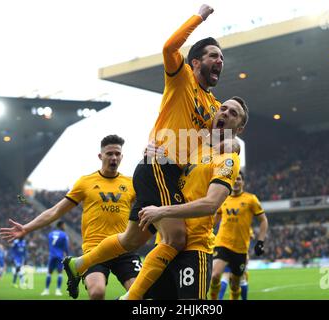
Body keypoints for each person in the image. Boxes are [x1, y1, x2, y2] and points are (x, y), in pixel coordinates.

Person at [63, 3, 226, 300]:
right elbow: (168, 46)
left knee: (131, 239)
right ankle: (131, 298)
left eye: (222, 58)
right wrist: (199, 17)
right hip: (160, 166)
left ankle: (78, 265)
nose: (220, 60)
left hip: (168, 171)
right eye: (214, 55)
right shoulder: (182, 78)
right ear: (195, 62)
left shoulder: (215, 106)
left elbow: (212, 147)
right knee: (176, 238)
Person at [0, 135, 142, 300]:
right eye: (109, 153)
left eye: (117, 154)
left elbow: (147, 206)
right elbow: (56, 211)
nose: (114, 157)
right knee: (97, 293)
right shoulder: (85, 182)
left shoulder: (131, 183)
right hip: (95, 250)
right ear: (100, 156)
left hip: (123, 248)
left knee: (139, 293)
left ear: (122, 157)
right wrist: (26, 228)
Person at [135, 97, 249, 300]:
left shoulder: (228, 159)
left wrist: (161, 211)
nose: (225, 113)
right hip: (166, 246)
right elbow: (166, 171)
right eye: (223, 108)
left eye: (233, 113)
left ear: (239, 128)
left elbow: (211, 204)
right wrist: (153, 153)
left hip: (195, 249)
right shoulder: (194, 147)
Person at [209, 171, 268, 300]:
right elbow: (215, 219)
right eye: (234, 179)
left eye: (239, 179)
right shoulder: (223, 199)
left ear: (243, 182)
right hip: (222, 243)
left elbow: (263, 220)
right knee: (215, 276)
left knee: (235, 286)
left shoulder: (251, 199)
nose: (236, 182)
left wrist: (260, 242)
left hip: (240, 249)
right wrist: (205, 232)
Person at [41, 220, 69, 296]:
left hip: (52, 255)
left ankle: (46, 290)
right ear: (61, 225)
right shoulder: (64, 235)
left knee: (49, 273)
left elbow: (50, 244)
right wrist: (67, 255)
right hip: (60, 256)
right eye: (64, 225)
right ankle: (58, 290)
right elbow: (66, 247)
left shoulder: (50, 234)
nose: (65, 227)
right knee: (60, 273)